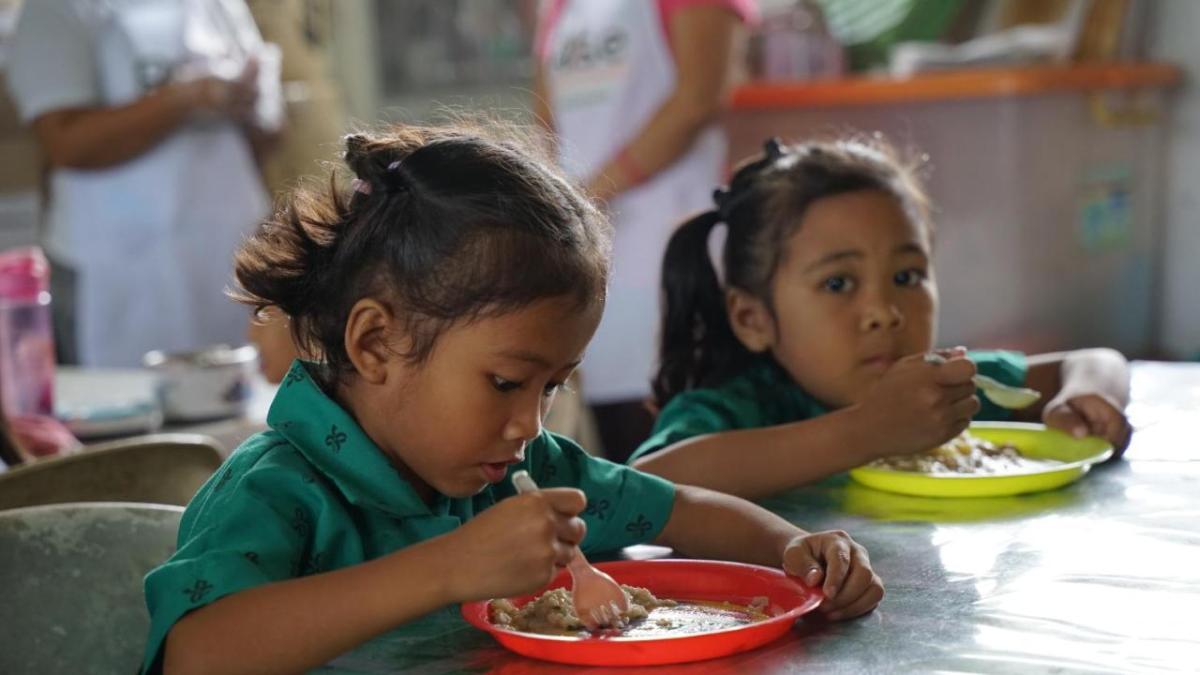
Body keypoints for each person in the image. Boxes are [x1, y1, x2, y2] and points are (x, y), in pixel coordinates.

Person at [140, 125, 884, 674]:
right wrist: (449, 567)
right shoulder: (274, 489)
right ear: (374, 344)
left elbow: (680, 509)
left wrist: (792, 547)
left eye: (553, 385)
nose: (530, 423)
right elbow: (198, 650)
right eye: (505, 382)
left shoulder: (522, 475)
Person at [628, 138, 1132, 499]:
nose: (884, 313)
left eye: (908, 276)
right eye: (838, 284)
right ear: (752, 318)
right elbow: (646, 482)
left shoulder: (940, 389)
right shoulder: (734, 409)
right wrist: (866, 432)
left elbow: (1092, 360)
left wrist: (1086, 396)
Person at [532, 0, 757, 461]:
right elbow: (546, 121)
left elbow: (698, 99)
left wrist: (588, 195)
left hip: (670, 238)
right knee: (615, 440)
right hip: (586, 246)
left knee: (683, 428)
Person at [5, 0, 280, 366]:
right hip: (116, 265)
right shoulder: (57, 9)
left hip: (228, 253)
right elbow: (65, 143)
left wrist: (252, 104)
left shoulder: (220, 5)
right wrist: (184, 98)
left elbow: (268, 134)